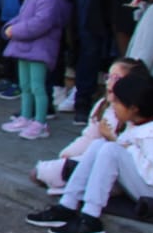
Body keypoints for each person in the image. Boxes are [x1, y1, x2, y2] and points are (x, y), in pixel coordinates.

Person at [25, 72, 153, 233]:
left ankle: (90, 218)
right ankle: (68, 204)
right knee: (100, 145)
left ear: (134, 108)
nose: (113, 105)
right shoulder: (138, 126)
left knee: (111, 150)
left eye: (118, 102)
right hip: (151, 185)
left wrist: (126, 150)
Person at [33, 58, 146, 196]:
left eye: (116, 78)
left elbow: (134, 154)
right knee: (39, 172)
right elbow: (89, 137)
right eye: (108, 77)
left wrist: (111, 137)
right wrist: (67, 154)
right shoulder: (104, 107)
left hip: (123, 173)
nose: (109, 82)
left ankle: (77, 187)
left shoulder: (139, 112)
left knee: (66, 174)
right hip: (93, 160)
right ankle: (75, 182)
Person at [1, 0, 71, 140]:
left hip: (39, 50)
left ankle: (40, 122)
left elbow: (39, 23)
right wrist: (8, 27)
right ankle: (25, 116)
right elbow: (23, 17)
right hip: (25, 48)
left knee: (38, 87)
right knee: (25, 86)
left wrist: (14, 30)